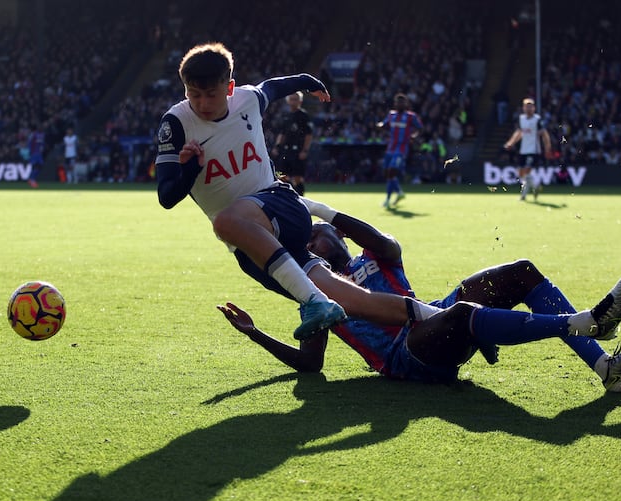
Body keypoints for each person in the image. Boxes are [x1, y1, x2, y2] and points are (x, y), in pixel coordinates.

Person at [155, 42, 441, 341]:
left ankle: (315, 301)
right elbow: (167, 197)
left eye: (210, 94)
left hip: (279, 204)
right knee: (356, 303)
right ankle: (455, 318)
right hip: (252, 245)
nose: (201, 103)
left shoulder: (248, 99)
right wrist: (189, 169)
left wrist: (307, 80)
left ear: (229, 88)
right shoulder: (176, 124)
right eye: (193, 94)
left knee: (224, 222)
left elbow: (273, 87)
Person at [218, 198, 621, 392]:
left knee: (520, 272)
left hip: (433, 316)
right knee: (463, 311)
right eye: (305, 245)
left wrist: (316, 209)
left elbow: (380, 239)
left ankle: (606, 368)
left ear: (337, 232)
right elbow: (311, 363)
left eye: (314, 236)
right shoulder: (313, 290)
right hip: (405, 355)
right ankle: (582, 321)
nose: (309, 245)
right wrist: (255, 333)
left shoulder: (376, 254)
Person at [376, 93, 422, 208]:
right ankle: (399, 192)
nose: (399, 104)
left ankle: (388, 199)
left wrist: (414, 136)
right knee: (388, 174)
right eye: (398, 102)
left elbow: (420, 128)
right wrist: (379, 125)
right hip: (390, 148)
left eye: (402, 102)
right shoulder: (391, 115)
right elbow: (385, 124)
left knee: (392, 171)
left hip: (401, 149)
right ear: (395, 104)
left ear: (405, 104)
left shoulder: (411, 116)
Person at [504, 97, 552, 201]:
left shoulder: (537, 120)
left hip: (534, 150)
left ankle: (523, 195)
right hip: (523, 150)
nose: (528, 108)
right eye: (527, 106)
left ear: (534, 108)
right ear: (523, 108)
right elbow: (519, 133)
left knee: (526, 171)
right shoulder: (521, 119)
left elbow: (544, 134)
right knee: (521, 173)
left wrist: (548, 148)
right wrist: (511, 143)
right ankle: (535, 187)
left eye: (530, 106)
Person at [271, 91, 312, 196]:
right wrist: (277, 146)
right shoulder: (286, 116)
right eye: (291, 99)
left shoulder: (303, 116)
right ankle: (286, 197)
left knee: (297, 178)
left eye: (295, 99)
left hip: (297, 151)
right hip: (285, 150)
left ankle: (300, 199)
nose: (293, 102)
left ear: (300, 101)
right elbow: (282, 133)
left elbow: (308, 135)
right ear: (288, 101)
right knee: (282, 176)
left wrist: (305, 150)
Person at [27, 123, 45, 188]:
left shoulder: (43, 134)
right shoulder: (34, 134)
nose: (40, 128)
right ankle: (32, 180)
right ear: (37, 128)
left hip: (39, 154)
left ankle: (31, 179)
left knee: (40, 166)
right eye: (39, 127)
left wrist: (42, 147)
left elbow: (42, 143)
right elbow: (29, 142)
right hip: (34, 153)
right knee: (36, 166)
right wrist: (30, 152)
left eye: (41, 127)